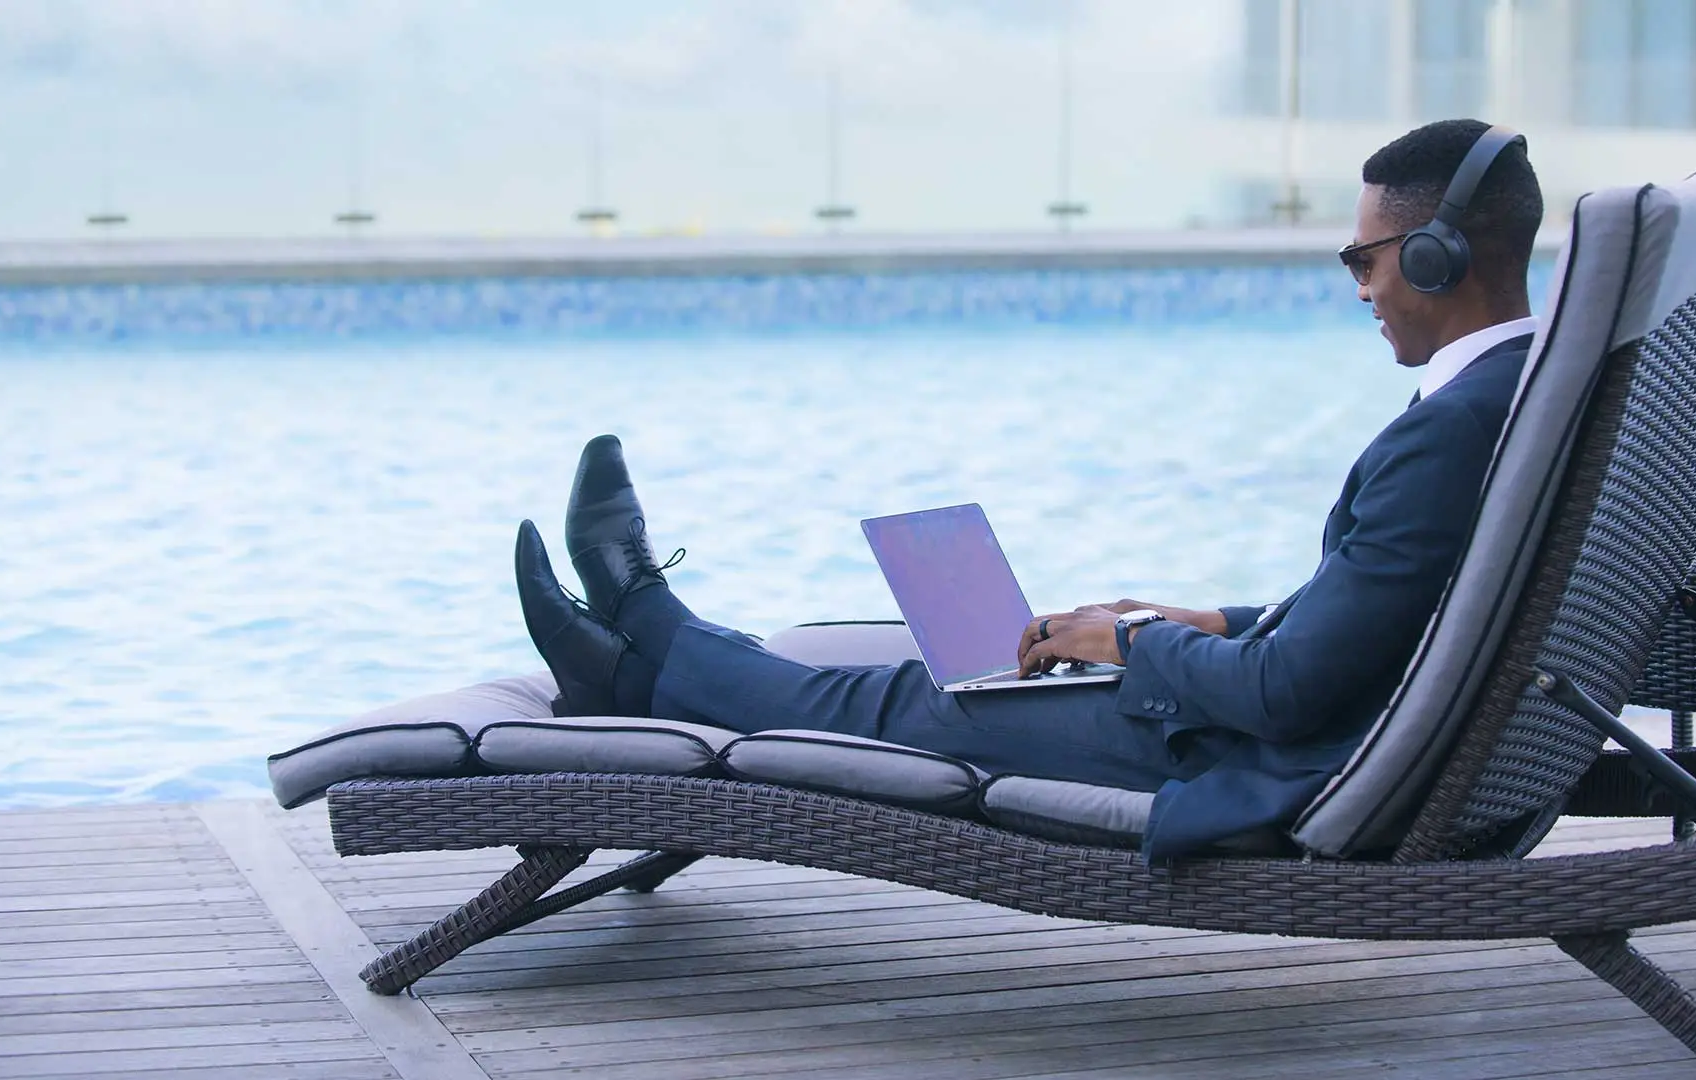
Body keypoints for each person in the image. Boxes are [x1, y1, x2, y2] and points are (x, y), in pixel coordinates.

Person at [514, 118, 1546, 862]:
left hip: (1240, 762)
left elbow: (1289, 695)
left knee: (897, 698)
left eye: (1362, 259)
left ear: (1434, 254)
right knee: (965, 665)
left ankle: (644, 638)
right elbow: (1383, 617)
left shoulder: (1449, 433)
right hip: (1299, 729)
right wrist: (1215, 620)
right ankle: (650, 649)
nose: (1360, 286)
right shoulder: (1530, 393)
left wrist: (1134, 643)